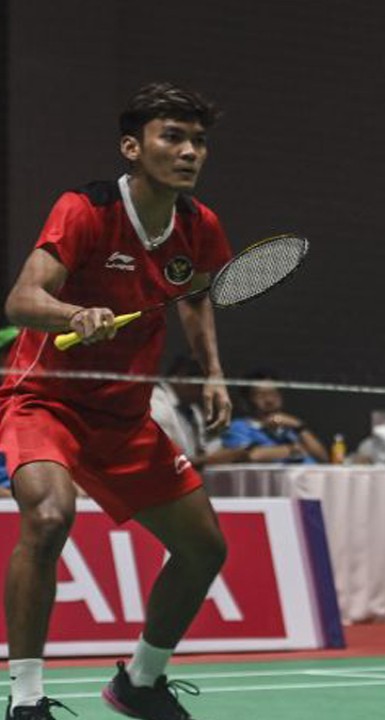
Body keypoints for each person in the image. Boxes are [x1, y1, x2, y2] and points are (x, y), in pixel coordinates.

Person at [0, 82, 236, 720]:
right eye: (173, 137)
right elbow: (22, 301)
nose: (189, 152)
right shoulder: (85, 209)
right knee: (48, 518)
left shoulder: (197, 225)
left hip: (125, 414)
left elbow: (194, 294)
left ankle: (140, 680)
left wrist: (213, 373)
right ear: (133, 147)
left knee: (204, 548)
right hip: (46, 400)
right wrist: (77, 311)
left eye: (198, 141)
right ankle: (24, 700)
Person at [150, 354, 245, 468]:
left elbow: (199, 450)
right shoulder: (156, 405)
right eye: (202, 384)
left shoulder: (192, 409)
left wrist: (227, 451)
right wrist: (209, 460)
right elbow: (164, 461)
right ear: (181, 377)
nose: (206, 391)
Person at [220, 370, 329, 464]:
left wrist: (298, 425)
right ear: (246, 401)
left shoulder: (289, 428)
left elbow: (323, 458)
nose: (269, 400)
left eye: (274, 393)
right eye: (261, 395)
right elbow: (249, 455)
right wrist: (292, 450)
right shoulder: (239, 427)